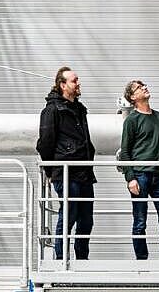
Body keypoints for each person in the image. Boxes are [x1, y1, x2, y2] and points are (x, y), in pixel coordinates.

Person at [36, 67, 96, 260]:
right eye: (74, 80)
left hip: (84, 173)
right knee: (69, 214)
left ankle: (81, 259)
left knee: (86, 220)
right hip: (66, 171)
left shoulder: (79, 109)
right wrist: (49, 169)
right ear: (63, 85)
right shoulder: (52, 110)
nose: (78, 83)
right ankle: (61, 258)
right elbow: (45, 142)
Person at [119, 79, 159, 260]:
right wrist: (130, 178)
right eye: (139, 87)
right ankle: (142, 260)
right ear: (132, 97)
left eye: (144, 85)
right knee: (139, 221)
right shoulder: (131, 121)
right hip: (139, 175)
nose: (144, 88)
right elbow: (125, 152)